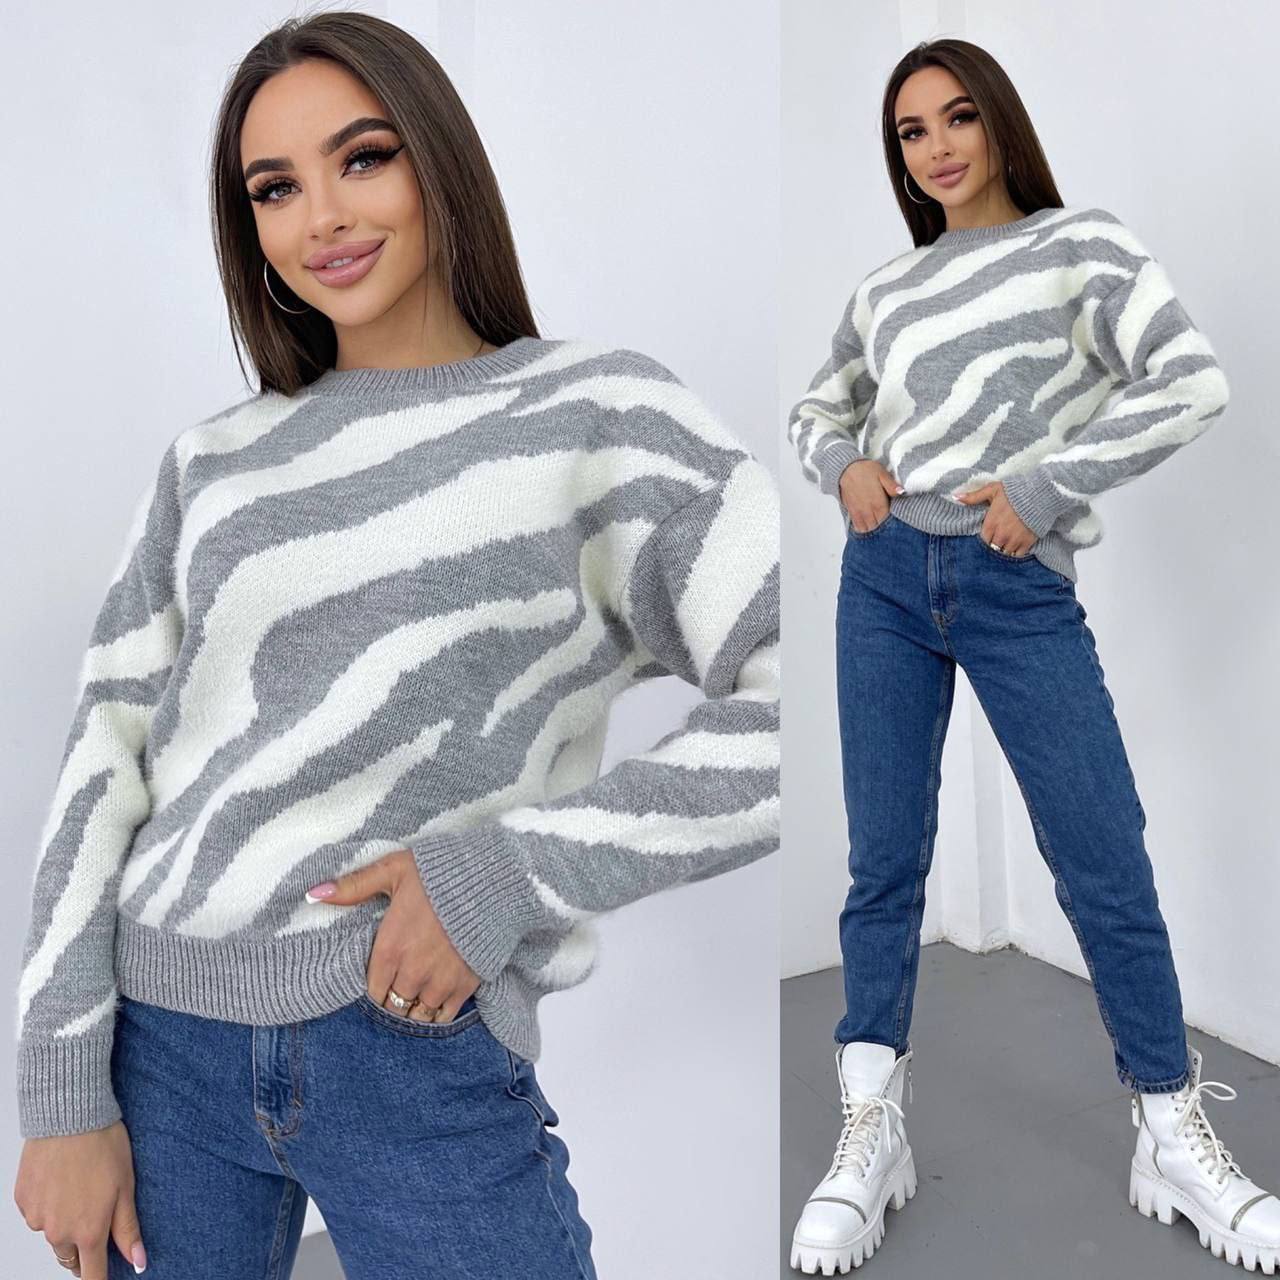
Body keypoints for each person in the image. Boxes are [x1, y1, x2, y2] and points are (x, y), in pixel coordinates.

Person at [12, 13, 780, 1279]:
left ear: (435, 161)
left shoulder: (593, 414)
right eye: (274, 187)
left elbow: (800, 698)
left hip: (410, 1044)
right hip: (160, 1053)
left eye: (361, 158)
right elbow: (106, 758)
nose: (320, 216)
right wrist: (58, 1088)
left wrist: (507, 871)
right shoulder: (212, 464)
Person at [785, 37, 1276, 1277]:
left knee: (1100, 855)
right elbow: (817, 409)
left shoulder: (1078, 245)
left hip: (1014, 586)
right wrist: (843, 465)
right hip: (883, 580)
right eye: (909, 131)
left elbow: (1190, 378)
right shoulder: (885, 291)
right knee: (883, 860)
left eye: (956, 117)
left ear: (997, 121)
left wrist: (1046, 484)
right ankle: (870, 1131)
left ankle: (1168, 1132)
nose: (936, 147)